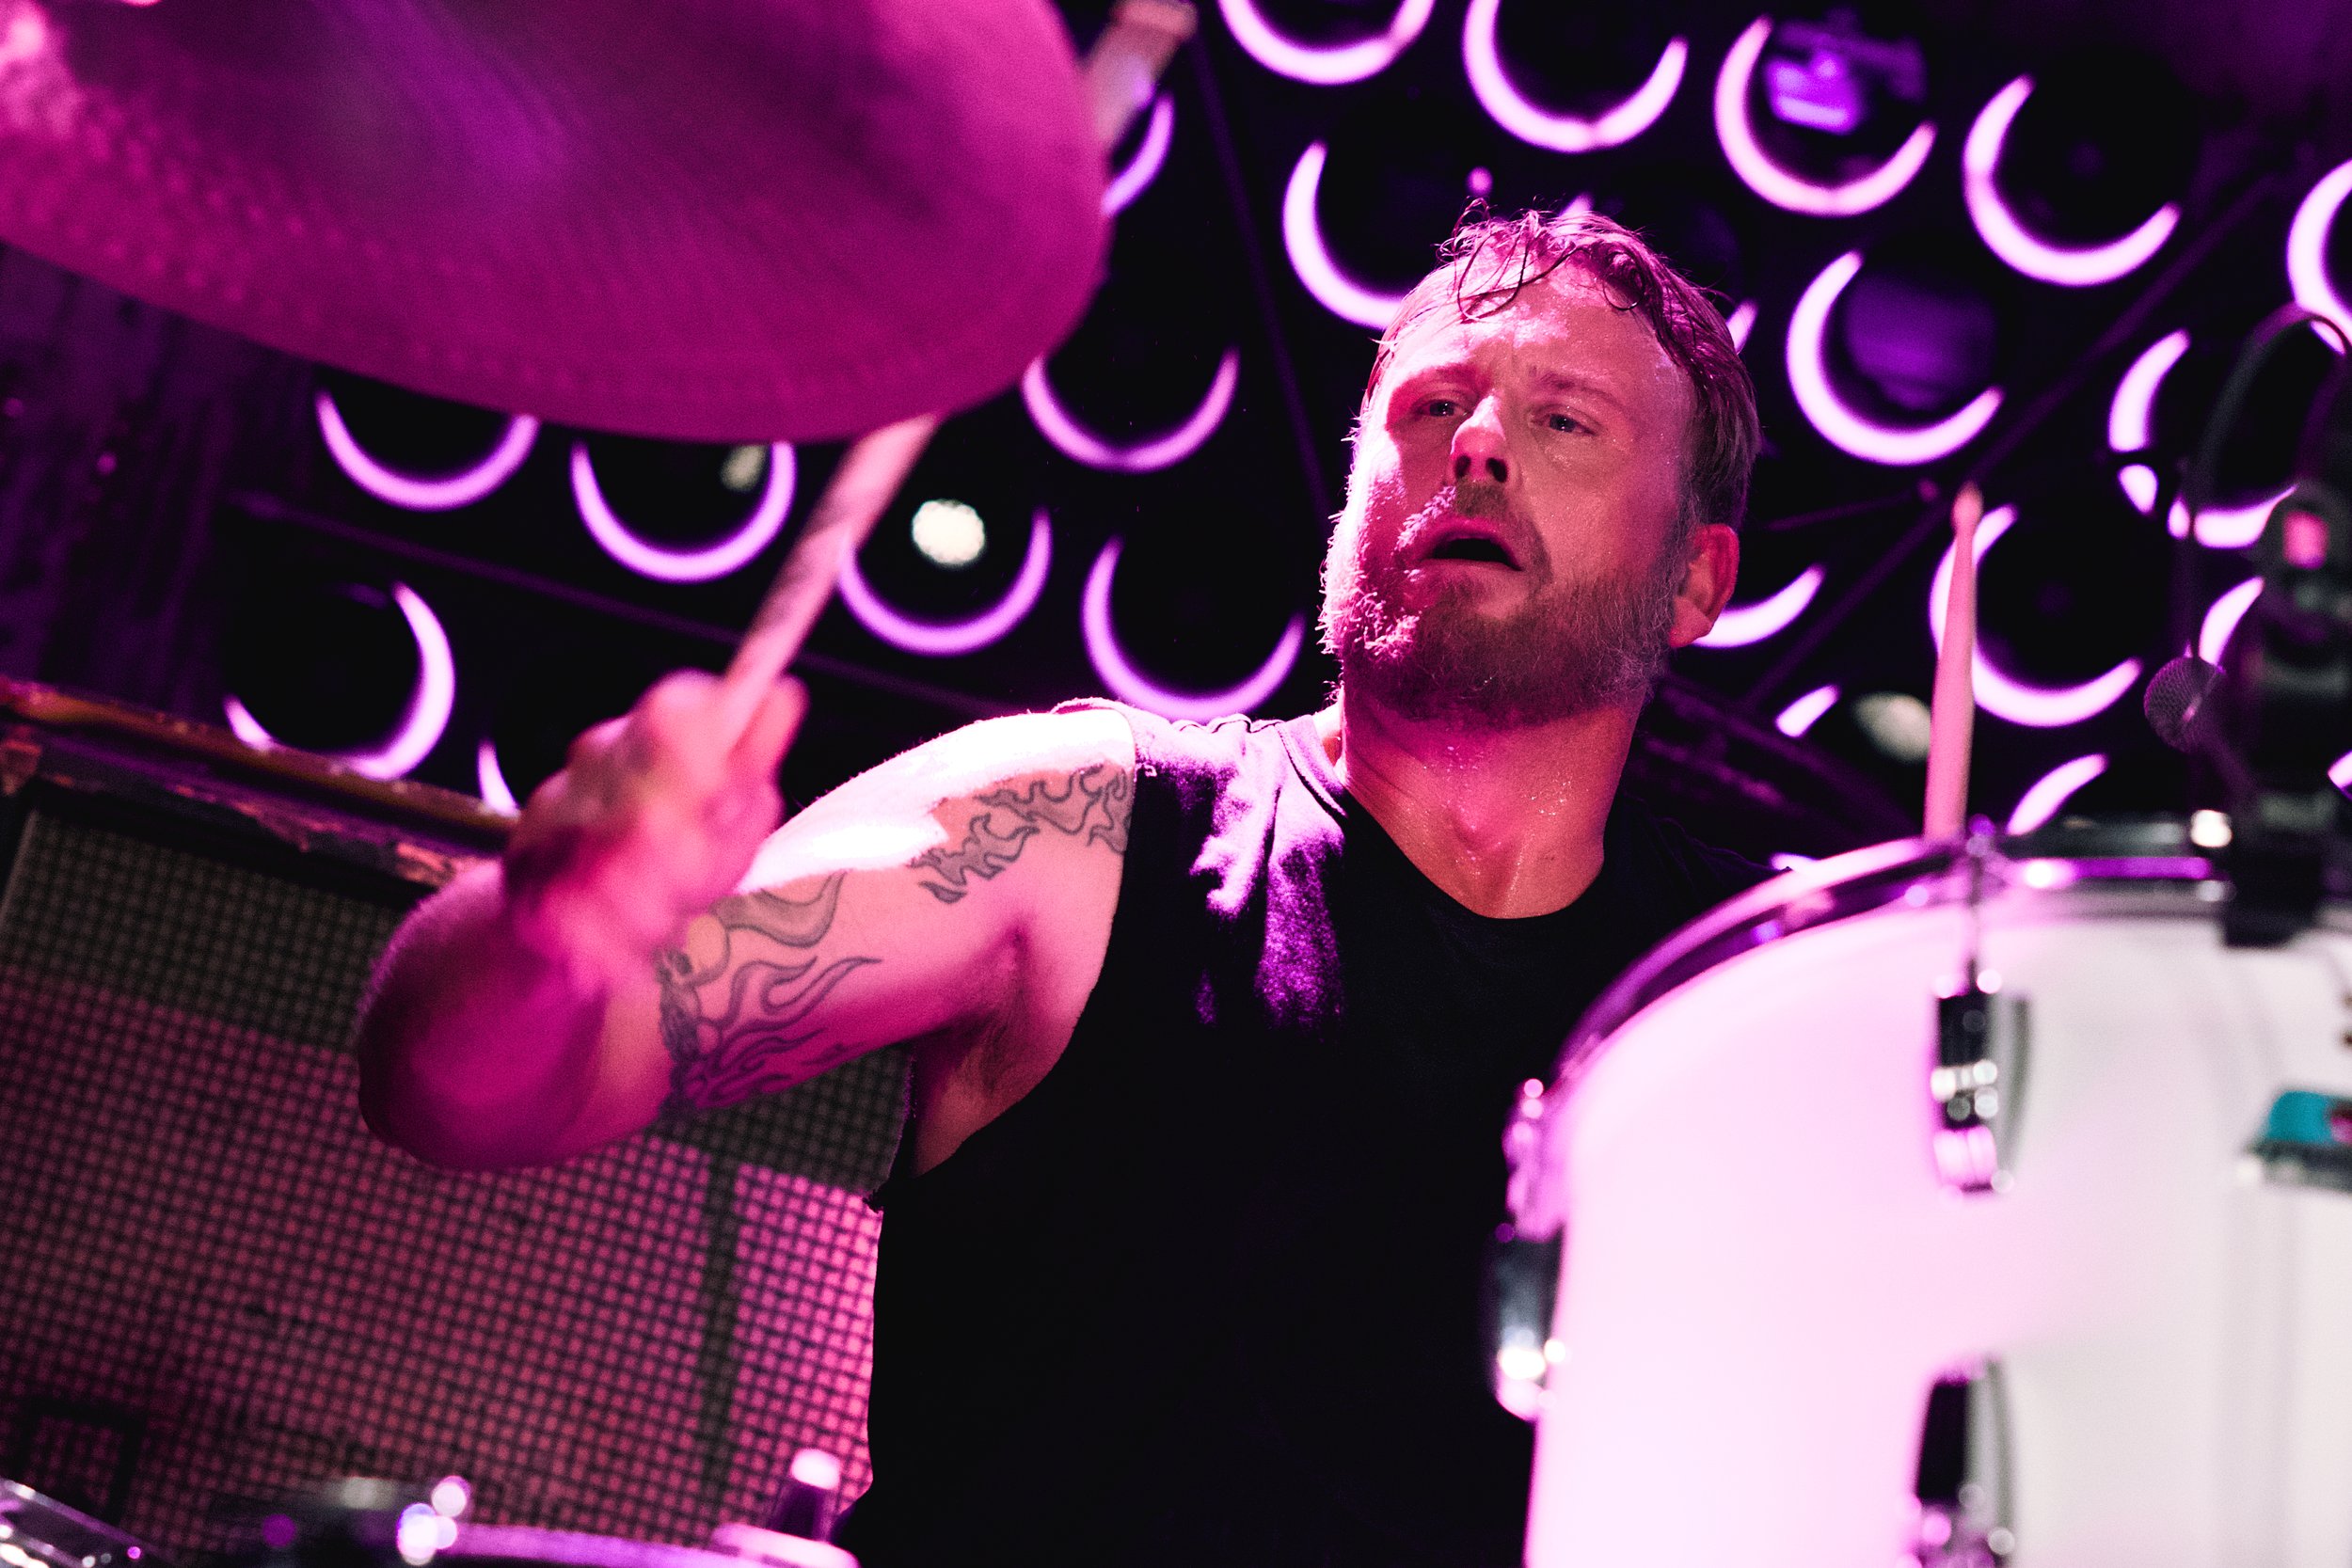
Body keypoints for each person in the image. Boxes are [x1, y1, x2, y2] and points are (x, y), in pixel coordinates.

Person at [355, 207, 1768, 1567]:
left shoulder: (1756, 996)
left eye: (1564, 419)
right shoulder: (1079, 828)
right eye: (1422, 406)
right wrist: (550, 932)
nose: (1472, 444)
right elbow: (449, 1093)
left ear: (1698, 581)